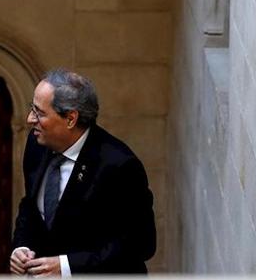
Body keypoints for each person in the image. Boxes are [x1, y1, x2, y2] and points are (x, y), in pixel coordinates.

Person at [10, 69, 156, 276]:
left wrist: (66, 266)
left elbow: (140, 244)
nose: (29, 119)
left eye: (40, 113)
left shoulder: (119, 166)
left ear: (70, 119)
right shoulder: (37, 145)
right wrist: (21, 247)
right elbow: (31, 207)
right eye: (32, 109)